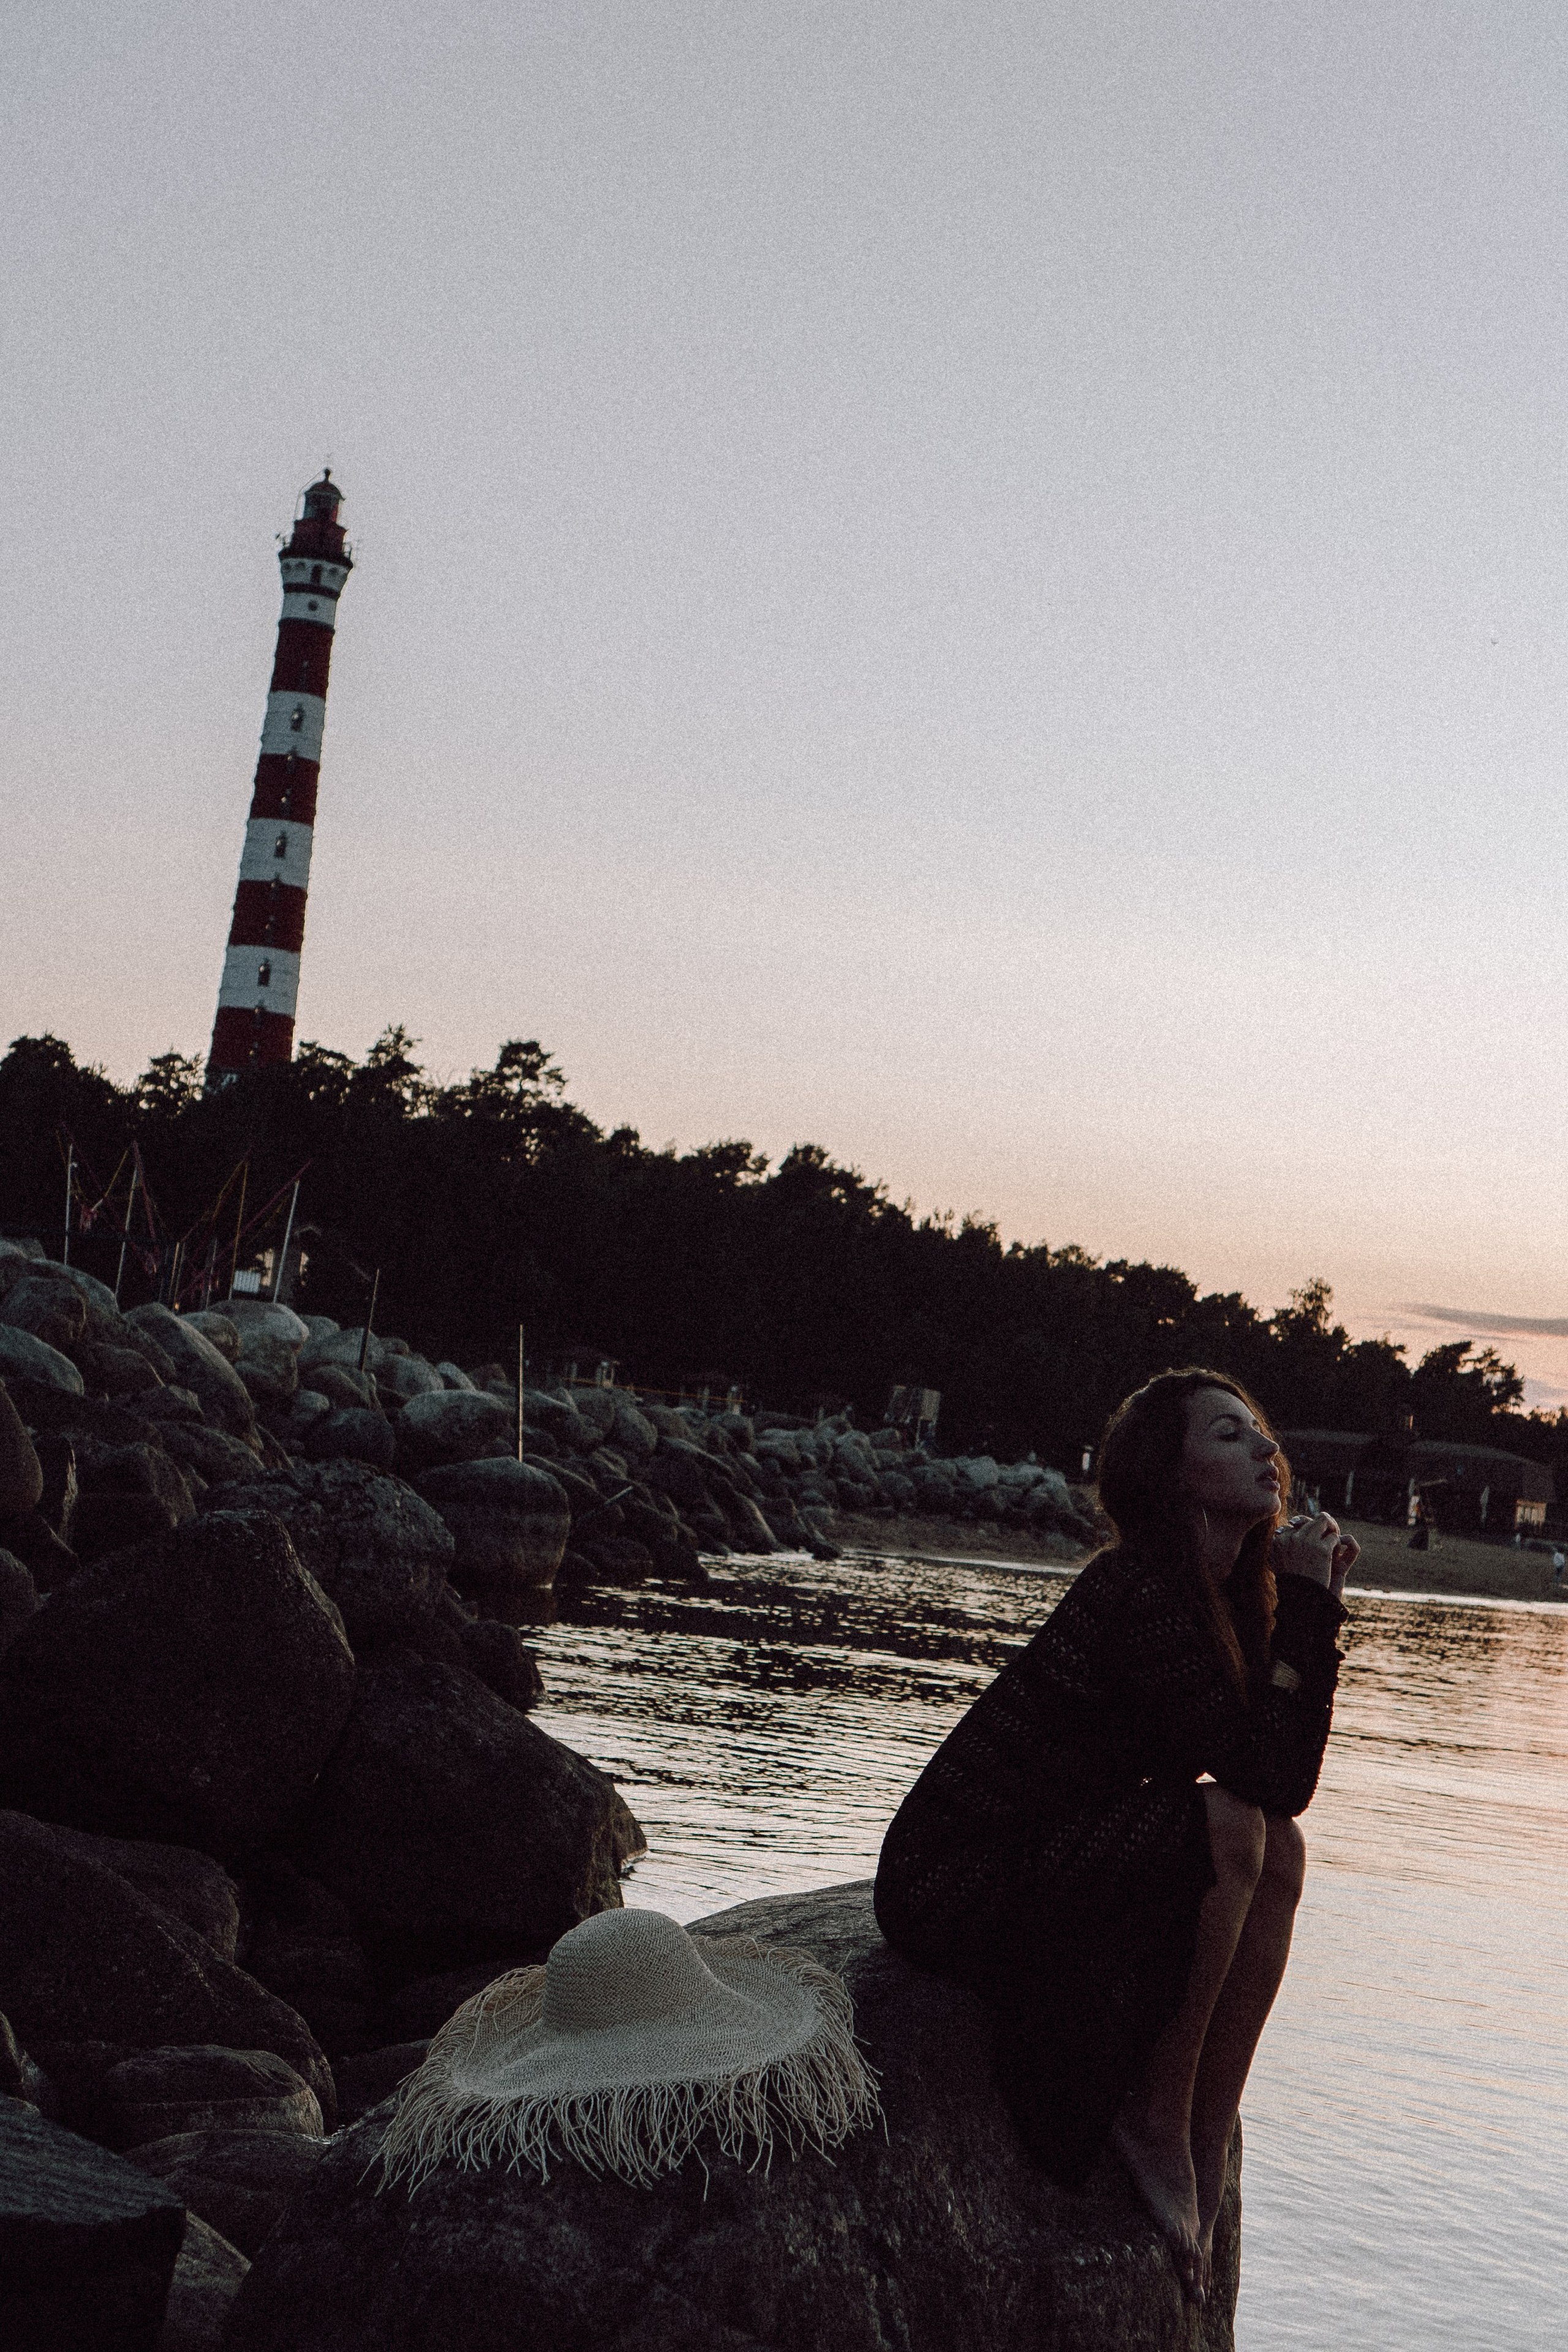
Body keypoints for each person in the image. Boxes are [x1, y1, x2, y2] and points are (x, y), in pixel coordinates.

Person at [873, 1367, 1355, 2304]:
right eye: (1228, 1435)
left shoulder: (1227, 1594)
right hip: (954, 1874)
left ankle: (1207, 2128)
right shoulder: (1137, 1588)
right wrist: (1307, 1610)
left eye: (1260, 1430)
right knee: (1230, 1827)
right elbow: (1257, 1779)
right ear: (1171, 1472)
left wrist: (1311, 1607)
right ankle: (1153, 2116)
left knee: (1279, 1848)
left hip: (1063, 1843)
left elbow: (1284, 1788)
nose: (1265, 1448)